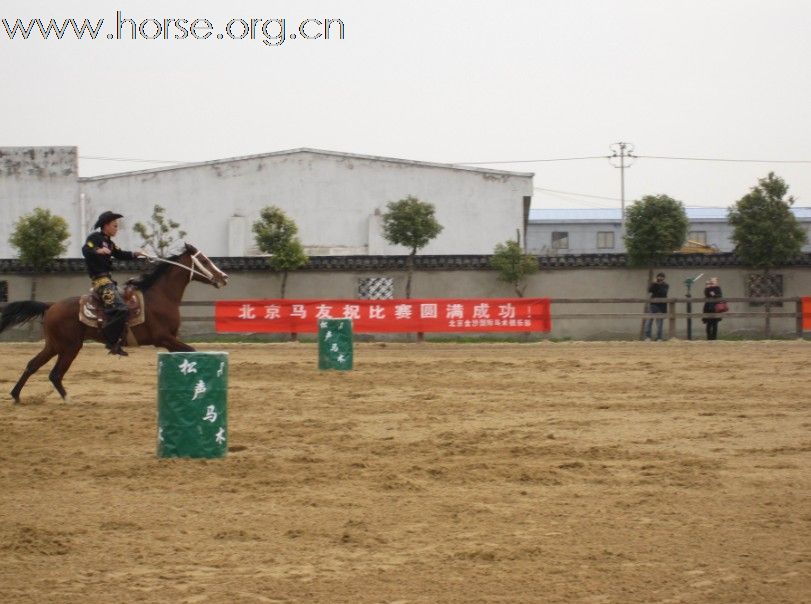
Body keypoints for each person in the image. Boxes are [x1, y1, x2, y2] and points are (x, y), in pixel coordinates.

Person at [82, 211, 145, 356]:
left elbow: (120, 254)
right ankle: (110, 341)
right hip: (100, 281)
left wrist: (136, 254)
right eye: (115, 226)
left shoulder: (110, 243)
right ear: (106, 226)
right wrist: (98, 250)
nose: (117, 228)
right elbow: (86, 249)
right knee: (121, 308)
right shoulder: (94, 238)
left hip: (109, 280)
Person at [643, 272, 669, 341]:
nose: (660, 278)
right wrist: (654, 283)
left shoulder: (666, 285)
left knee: (659, 323)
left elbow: (663, 293)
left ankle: (659, 337)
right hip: (653, 305)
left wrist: (658, 285)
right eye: (659, 277)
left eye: (661, 277)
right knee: (649, 322)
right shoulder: (654, 284)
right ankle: (648, 337)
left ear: (664, 278)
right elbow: (650, 290)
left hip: (662, 306)